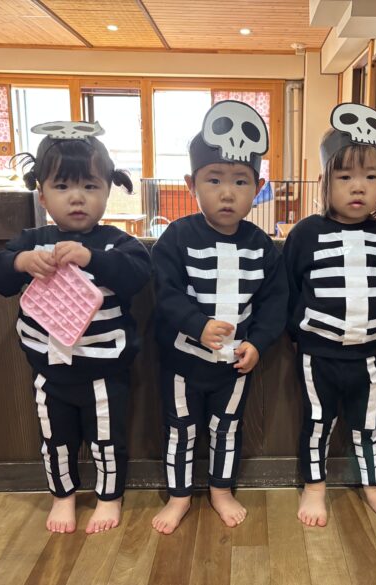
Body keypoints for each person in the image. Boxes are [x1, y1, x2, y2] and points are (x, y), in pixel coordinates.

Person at [0, 121, 151, 534]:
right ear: (42, 194)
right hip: (48, 372)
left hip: (105, 373)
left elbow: (136, 275)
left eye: (90, 186)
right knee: (55, 440)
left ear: (108, 191)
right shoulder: (31, 241)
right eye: (62, 186)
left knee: (107, 440)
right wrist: (20, 262)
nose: (77, 197)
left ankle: (109, 497)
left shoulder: (116, 243)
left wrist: (91, 258)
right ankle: (63, 496)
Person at [150, 101, 288, 534]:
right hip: (182, 363)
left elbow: (275, 302)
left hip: (235, 365)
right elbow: (165, 292)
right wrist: (197, 324)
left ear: (258, 187)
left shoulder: (262, 246)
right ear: (191, 184)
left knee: (227, 428)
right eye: (214, 180)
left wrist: (259, 343)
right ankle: (179, 496)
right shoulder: (177, 236)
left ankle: (221, 490)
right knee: (180, 429)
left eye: (240, 181)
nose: (227, 193)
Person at [284, 103, 376, 529]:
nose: (359, 187)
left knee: (367, 424)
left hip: (370, 354)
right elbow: (290, 288)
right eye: (345, 177)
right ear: (325, 182)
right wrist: (297, 335)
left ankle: (374, 486)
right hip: (316, 353)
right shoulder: (305, 233)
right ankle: (314, 486)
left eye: (372, 177)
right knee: (318, 421)